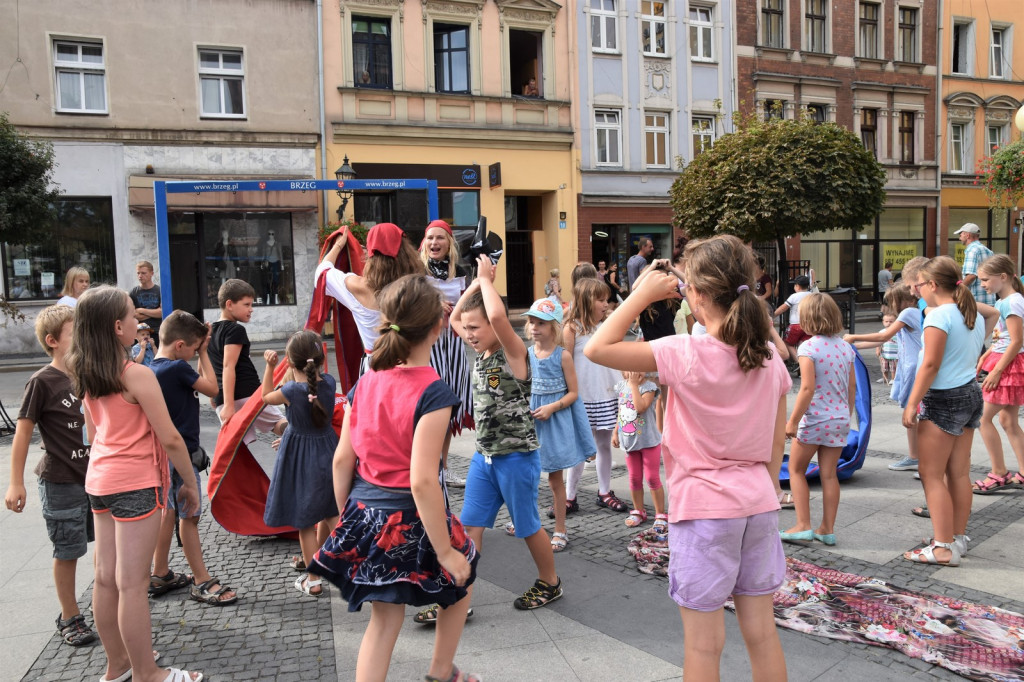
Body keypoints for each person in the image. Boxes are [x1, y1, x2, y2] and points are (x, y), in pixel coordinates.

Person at [584, 235, 789, 682]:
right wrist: (765, 488)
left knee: (702, 643)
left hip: (704, 509)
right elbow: (776, 445)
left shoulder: (686, 352)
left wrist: (639, 294)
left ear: (694, 296)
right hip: (757, 503)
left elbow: (597, 348)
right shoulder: (769, 356)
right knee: (762, 632)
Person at [310, 274, 480, 682]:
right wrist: (444, 551)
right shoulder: (434, 392)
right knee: (463, 573)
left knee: (384, 621)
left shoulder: (364, 384)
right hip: (412, 515)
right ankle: (441, 672)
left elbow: (341, 462)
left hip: (365, 511)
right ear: (439, 326)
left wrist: (346, 518)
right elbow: (423, 480)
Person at [65, 285, 203, 682]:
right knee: (132, 584)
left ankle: (119, 665)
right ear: (116, 326)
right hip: (136, 483)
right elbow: (171, 437)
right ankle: (148, 673)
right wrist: (190, 482)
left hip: (101, 480)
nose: (138, 320)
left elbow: (94, 432)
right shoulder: (134, 374)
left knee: (106, 578)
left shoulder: (87, 370)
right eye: (133, 314)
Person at [450, 255, 562, 610]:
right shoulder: (480, 352)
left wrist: (486, 279)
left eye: (475, 328)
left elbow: (497, 316)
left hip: (516, 457)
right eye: (467, 329)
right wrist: (476, 285)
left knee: (527, 526)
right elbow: (454, 316)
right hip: (485, 458)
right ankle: (459, 599)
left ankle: (550, 582)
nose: (468, 334)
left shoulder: (515, 354)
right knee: (470, 529)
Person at [4, 305, 95, 647]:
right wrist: (16, 482)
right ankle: (70, 615)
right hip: (61, 481)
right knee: (68, 549)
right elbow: (23, 433)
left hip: (96, 477)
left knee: (107, 545)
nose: (82, 340)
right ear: (53, 341)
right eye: (76, 334)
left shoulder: (89, 374)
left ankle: (110, 602)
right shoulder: (42, 381)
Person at [902, 257, 993, 566]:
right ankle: (957, 538)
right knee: (960, 473)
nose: (917, 292)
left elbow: (930, 364)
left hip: (944, 399)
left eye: (918, 286)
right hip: (969, 393)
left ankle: (942, 548)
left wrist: (912, 402)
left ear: (931, 284)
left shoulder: (939, 315)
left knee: (931, 474)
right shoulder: (971, 314)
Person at [149, 311, 238, 606]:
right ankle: (201, 580)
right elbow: (213, 388)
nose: (194, 353)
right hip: (181, 455)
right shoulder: (176, 368)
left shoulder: (154, 367)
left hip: (164, 455)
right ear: (179, 346)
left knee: (169, 513)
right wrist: (204, 350)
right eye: (193, 348)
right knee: (190, 515)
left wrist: (198, 344)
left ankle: (160, 572)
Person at [262, 330, 340, 597]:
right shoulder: (329, 382)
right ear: (320, 359)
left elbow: (264, 397)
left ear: (290, 361)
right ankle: (350, 564)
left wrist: (270, 367)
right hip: (329, 449)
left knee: (305, 520)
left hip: (299, 456)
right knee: (332, 512)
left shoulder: (290, 391)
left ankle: (313, 579)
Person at [779, 294, 856, 546]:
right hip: (839, 418)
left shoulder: (808, 348)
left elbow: (807, 389)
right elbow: (851, 387)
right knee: (829, 475)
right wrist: (847, 413)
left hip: (815, 419)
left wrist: (792, 421)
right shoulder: (845, 347)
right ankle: (827, 529)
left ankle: (803, 525)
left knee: (796, 470)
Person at [521, 298, 594, 552]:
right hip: (533, 421)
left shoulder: (562, 356)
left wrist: (552, 407)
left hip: (555, 421)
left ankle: (560, 528)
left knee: (555, 480)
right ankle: (527, 522)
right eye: (531, 322)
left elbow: (573, 393)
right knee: (527, 476)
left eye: (541, 323)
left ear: (553, 327)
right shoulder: (526, 354)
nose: (534, 327)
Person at [318, 223, 425, 373]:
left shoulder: (358, 286)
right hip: (413, 366)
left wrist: (338, 246)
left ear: (370, 254)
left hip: (374, 369)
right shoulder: (418, 284)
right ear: (406, 251)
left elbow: (322, 273)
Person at [564, 277, 628, 514]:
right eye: (600, 299)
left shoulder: (607, 326)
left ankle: (604, 491)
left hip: (606, 392)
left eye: (606, 299)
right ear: (585, 301)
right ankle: (569, 496)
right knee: (579, 447)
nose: (605, 304)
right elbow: (565, 362)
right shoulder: (572, 329)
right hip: (583, 396)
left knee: (603, 444)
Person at [419, 219, 474, 489]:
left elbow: (471, 308)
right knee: (428, 407)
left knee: (449, 407)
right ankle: (425, 467)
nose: (434, 243)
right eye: (430, 238)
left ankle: (443, 467)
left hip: (454, 348)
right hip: (426, 349)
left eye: (439, 238)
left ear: (449, 243)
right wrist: (432, 302)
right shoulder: (416, 272)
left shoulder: (461, 272)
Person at [846, 285, 924, 473]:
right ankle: (916, 456)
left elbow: (885, 335)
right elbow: (881, 339)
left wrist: (854, 337)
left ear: (907, 301)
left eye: (893, 301)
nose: (891, 306)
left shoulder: (908, 313)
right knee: (913, 414)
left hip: (912, 369)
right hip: (910, 368)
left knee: (913, 414)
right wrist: (852, 345)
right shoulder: (914, 313)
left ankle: (919, 457)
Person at [208, 278, 288, 443]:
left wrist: (214, 396)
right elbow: (228, 366)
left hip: (222, 397)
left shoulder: (209, 331)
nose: (251, 309)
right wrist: (230, 405)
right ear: (229, 304)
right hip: (247, 393)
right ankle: (305, 437)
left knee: (237, 448)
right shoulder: (235, 330)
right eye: (246, 305)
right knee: (280, 424)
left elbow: (206, 364)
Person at [972, 255, 1024, 494]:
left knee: (983, 418)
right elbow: (1005, 337)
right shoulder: (1010, 300)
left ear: (1002, 277)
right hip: (1007, 361)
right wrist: (986, 355)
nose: (982, 284)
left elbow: (1016, 341)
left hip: (1008, 365)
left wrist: (997, 371)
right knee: (1008, 420)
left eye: (985, 279)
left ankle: (999, 472)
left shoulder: (1011, 302)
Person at [612, 371, 667, 534]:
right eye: (630, 369)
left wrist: (634, 386)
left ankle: (660, 514)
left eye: (639, 369)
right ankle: (638, 511)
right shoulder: (621, 386)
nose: (635, 373)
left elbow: (640, 408)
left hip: (649, 442)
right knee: (634, 478)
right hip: (629, 442)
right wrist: (615, 432)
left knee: (652, 478)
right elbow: (622, 411)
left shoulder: (649, 388)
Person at [773, 274, 813, 367]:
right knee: (802, 345)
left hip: (795, 325)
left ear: (797, 286)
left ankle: (799, 363)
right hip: (808, 325)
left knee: (787, 343)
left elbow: (783, 308)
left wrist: (772, 315)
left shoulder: (794, 296)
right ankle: (805, 363)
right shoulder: (812, 295)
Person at [955, 223, 996, 306]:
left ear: (967, 235)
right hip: (989, 299)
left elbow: (971, 276)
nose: (959, 238)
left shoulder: (972, 250)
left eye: (961, 234)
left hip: (976, 302)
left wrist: (957, 290)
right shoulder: (988, 251)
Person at [130, 261, 163, 343]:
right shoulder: (133, 292)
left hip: (157, 332)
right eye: (138, 273)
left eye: (143, 273)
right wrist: (153, 313)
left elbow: (161, 313)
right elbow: (134, 315)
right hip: (140, 333)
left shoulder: (160, 291)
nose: (140, 276)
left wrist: (141, 310)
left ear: (151, 273)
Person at [261, 229, 284, 305]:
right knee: (267, 281)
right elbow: (263, 255)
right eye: (269, 234)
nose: (271, 235)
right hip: (268, 263)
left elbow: (280, 254)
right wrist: (262, 263)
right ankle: (267, 297)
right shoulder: (265, 244)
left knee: (276, 280)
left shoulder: (278, 244)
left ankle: (276, 297)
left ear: (274, 234)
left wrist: (282, 264)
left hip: (276, 263)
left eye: (272, 234)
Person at [878, 311, 899, 385]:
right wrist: (878, 349)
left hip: (895, 354)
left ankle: (893, 379)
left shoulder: (898, 332)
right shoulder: (881, 332)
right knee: (884, 367)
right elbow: (878, 341)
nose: (888, 323)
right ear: (883, 322)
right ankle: (885, 378)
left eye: (891, 321)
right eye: (886, 321)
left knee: (893, 368)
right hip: (884, 353)